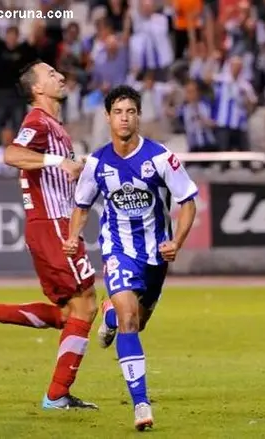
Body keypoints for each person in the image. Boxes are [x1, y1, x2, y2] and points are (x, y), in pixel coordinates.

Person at [0, 60, 99, 410]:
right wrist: (58, 162)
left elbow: (51, 167)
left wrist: (73, 167)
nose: (60, 76)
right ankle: (56, 395)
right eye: (51, 74)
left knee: (71, 315)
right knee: (87, 306)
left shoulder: (54, 126)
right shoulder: (37, 120)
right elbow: (11, 154)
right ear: (37, 88)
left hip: (54, 224)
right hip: (51, 225)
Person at [65, 85, 198, 430]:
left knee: (136, 322)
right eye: (118, 112)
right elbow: (81, 205)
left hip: (156, 254)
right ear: (108, 117)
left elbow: (187, 202)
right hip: (119, 250)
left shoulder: (161, 158)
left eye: (131, 112)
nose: (124, 118)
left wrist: (177, 242)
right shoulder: (96, 163)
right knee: (129, 321)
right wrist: (72, 236)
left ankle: (109, 318)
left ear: (138, 117)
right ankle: (141, 404)